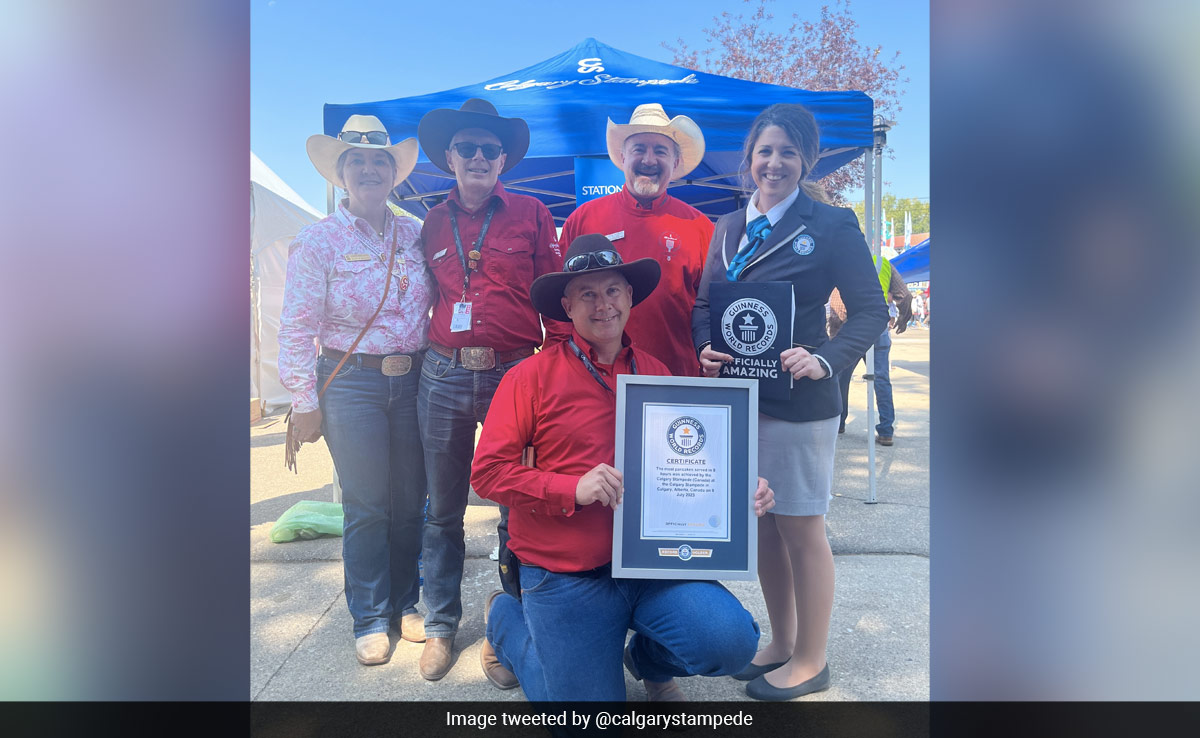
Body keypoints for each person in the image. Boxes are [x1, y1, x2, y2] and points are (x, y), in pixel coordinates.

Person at [470, 234, 777, 701]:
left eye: (612, 290)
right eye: (587, 294)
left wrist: (738, 490)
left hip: (653, 566)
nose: (603, 304)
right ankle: (507, 622)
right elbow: (487, 472)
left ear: (630, 297)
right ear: (567, 306)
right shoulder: (528, 378)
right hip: (567, 572)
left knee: (730, 642)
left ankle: (647, 661)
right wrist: (570, 488)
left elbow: (692, 464)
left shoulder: (657, 372)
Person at [692, 104, 889, 700]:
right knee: (764, 531)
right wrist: (705, 347)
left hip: (799, 403)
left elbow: (870, 309)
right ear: (749, 158)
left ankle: (811, 658)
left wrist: (826, 356)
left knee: (802, 528)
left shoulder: (831, 224)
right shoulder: (727, 226)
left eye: (787, 151)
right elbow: (706, 306)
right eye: (765, 151)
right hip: (740, 401)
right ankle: (780, 642)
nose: (774, 162)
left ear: (805, 160)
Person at [414, 98, 567, 681]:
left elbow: (554, 298)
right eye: (466, 148)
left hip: (513, 372)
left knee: (518, 503)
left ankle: (513, 627)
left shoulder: (531, 212)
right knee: (442, 506)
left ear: (503, 158)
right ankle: (440, 624)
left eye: (488, 149)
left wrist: (555, 368)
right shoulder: (429, 221)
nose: (477, 157)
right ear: (449, 156)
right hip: (443, 372)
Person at [278, 115, 433, 667]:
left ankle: (407, 603)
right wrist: (303, 401)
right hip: (352, 385)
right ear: (343, 172)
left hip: (415, 378)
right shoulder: (317, 240)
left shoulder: (418, 232)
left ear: (394, 172)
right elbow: (297, 325)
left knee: (412, 498)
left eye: (379, 161)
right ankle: (370, 614)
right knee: (367, 504)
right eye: (358, 161)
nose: (369, 169)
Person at [555, 104, 714, 377]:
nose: (649, 160)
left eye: (660, 151)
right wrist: (558, 365)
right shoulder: (583, 219)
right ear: (622, 157)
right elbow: (558, 301)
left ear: (675, 163)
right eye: (639, 148)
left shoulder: (700, 227)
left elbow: (712, 308)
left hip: (675, 378)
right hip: (593, 379)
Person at [830, 259, 912, 444]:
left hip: (851, 329)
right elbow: (905, 295)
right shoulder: (883, 263)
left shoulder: (844, 260)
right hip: (878, 328)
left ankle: (840, 422)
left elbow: (837, 303)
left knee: (841, 378)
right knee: (881, 379)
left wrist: (836, 332)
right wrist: (903, 318)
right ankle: (886, 431)